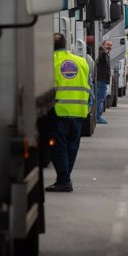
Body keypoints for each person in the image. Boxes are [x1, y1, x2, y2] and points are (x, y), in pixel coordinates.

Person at [47, 33, 91, 192]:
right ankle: (64, 178)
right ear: (66, 44)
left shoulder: (49, 62)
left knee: (58, 147)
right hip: (79, 112)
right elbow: (88, 85)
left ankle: (64, 180)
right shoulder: (81, 61)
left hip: (58, 112)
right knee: (72, 147)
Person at [96, 39, 112, 124]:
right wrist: (104, 52)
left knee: (100, 98)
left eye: (110, 45)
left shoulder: (106, 54)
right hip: (101, 81)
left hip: (103, 81)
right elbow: (102, 54)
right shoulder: (102, 53)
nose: (109, 46)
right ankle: (97, 117)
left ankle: (98, 116)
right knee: (100, 99)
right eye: (107, 44)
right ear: (103, 45)